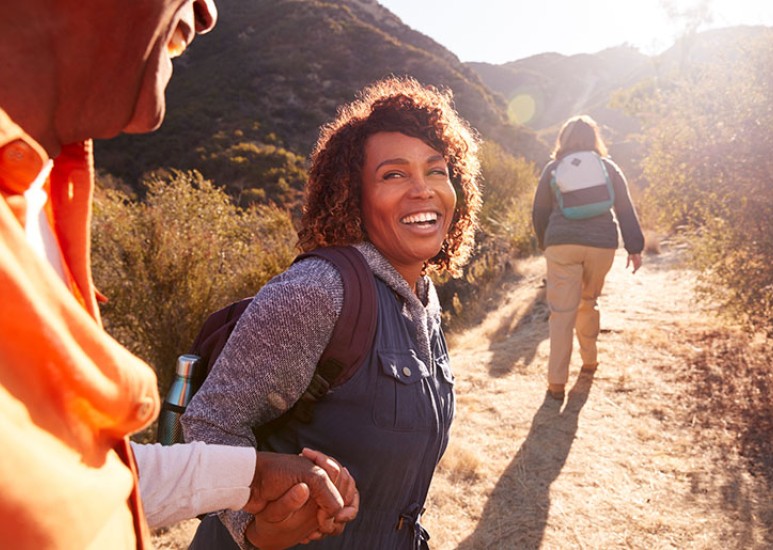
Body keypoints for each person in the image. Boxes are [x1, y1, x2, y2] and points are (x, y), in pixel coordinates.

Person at [0, 0, 359, 547]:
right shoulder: (314, 289)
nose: (208, 12)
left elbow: (73, 473)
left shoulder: (38, 194)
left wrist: (251, 476)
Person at [181, 76, 482, 549]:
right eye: (394, 174)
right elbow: (210, 423)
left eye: (437, 170)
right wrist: (256, 529)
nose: (423, 190)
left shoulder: (423, 296)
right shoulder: (319, 292)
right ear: (353, 196)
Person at [532, 114, 644, 402]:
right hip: (602, 244)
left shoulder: (554, 168)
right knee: (588, 302)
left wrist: (547, 243)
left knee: (561, 314)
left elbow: (540, 211)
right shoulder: (607, 167)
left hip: (562, 244)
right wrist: (635, 246)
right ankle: (590, 361)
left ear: (563, 139)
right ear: (595, 138)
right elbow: (625, 208)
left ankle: (556, 384)